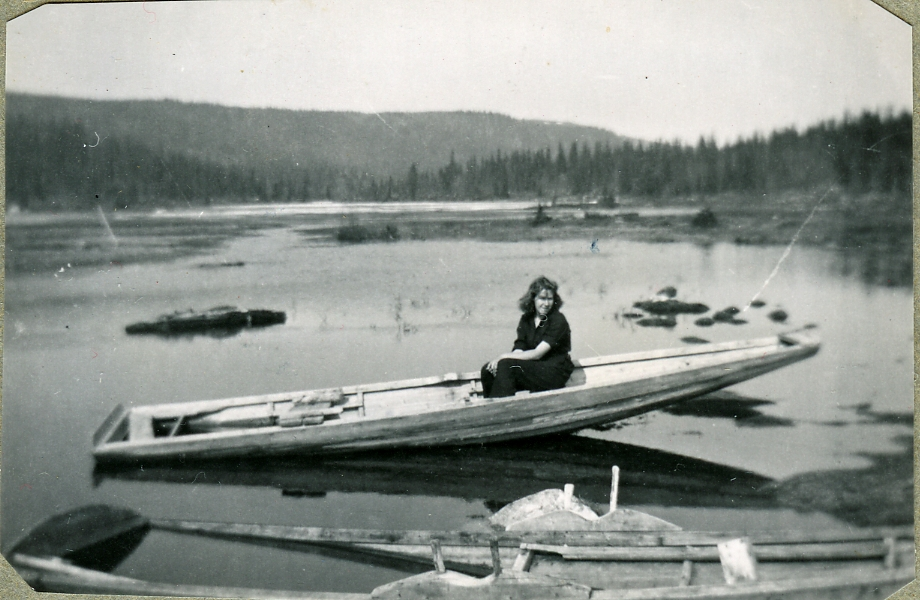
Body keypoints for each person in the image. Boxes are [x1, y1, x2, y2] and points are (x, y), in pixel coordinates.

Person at [481, 276, 574, 398]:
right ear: (533, 298)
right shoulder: (526, 319)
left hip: (554, 372)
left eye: (550, 299)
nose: (546, 304)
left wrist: (503, 357)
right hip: (535, 368)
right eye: (542, 298)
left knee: (507, 365)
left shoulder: (558, 320)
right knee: (488, 369)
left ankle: (502, 411)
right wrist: (501, 361)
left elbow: (537, 353)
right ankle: (490, 410)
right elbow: (520, 347)